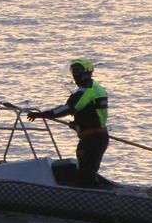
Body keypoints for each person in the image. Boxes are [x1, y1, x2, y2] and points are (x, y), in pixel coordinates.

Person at [28, 59, 110, 187]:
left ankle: (91, 197)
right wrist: (77, 125)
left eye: (76, 71)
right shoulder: (96, 87)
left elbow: (67, 108)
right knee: (87, 172)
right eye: (73, 71)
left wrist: (40, 114)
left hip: (93, 140)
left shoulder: (86, 92)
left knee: (85, 176)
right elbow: (93, 115)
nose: (74, 75)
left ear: (85, 73)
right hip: (96, 137)